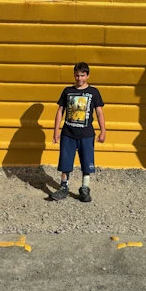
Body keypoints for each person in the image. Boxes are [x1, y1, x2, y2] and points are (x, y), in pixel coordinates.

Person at [50, 62, 106, 202]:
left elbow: (99, 112)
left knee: (87, 161)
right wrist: (56, 131)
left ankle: (85, 188)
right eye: (77, 75)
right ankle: (63, 187)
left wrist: (103, 130)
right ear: (74, 75)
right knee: (65, 161)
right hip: (68, 134)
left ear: (87, 76)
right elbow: (60, 111)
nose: (79, 78)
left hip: (86, 134)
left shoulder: (93, 92)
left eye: (82, 75)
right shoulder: (67, 91)